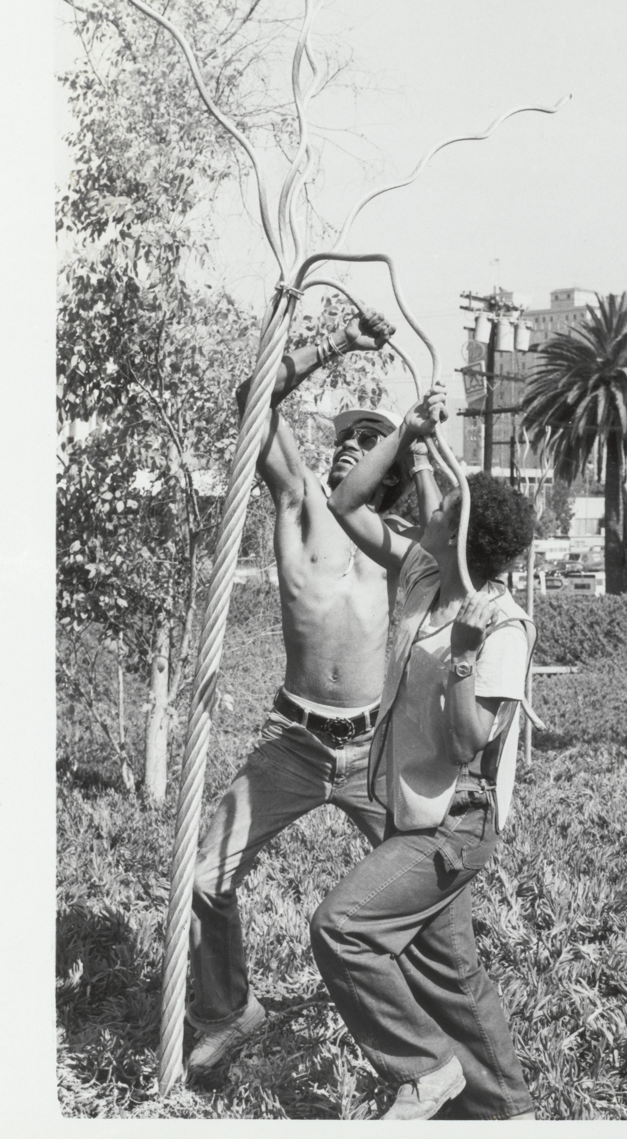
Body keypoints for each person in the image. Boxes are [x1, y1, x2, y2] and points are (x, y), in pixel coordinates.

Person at [187, 306, 439, 1074]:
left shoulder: (399, 543)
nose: (350, 449)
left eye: (368, 441)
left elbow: (446, 528)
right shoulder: (299, 502)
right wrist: (336, 344)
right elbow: (250, 399)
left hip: (374, 750)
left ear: (388, 469)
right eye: (345, 438)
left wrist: (419, 441)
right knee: (204, 880)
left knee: (422, 895)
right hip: (293, 742)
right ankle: (231, 1013)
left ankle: (430, 1039)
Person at [311, 383, 538, 1121]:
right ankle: (508, 1114)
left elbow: (472, 739)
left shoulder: (500, 625)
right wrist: (411, 432)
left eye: (443, 510)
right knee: (450, 971)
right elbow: (347, 503)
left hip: (454, 824)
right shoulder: (421, 574)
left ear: (460, 537)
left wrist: (464, 659)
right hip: (413, 808)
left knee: (343, 928)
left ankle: (428, 1069)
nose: (429, 508)